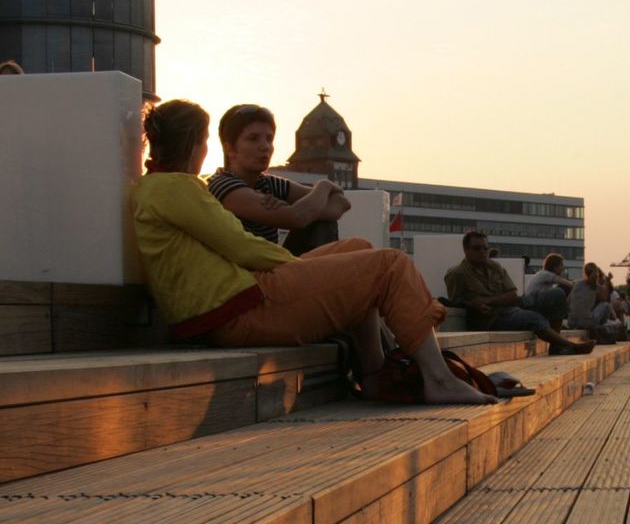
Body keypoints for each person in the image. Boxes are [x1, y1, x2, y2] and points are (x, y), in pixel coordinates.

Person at [132, 100, 490, 405]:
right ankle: (438, 380)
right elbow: (241, 245)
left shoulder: (164, 189)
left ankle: (374, 372)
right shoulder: (175, 189)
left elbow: (323, 211)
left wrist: (312, 269)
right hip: (240, 310)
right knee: (389, 264)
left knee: (359, 249)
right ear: (197, 143)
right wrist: (296, 270)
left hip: (237, 300)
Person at [207, 103, 350, 255]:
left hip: (272, 267)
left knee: (320, 221)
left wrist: (302, 209)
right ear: (230, 149)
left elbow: (341, 203)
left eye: (269, 139)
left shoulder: (268, 183)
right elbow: (297, 218)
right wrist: (324, 186)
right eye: (253, 139)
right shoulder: (222, 184)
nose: (265, 146)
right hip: (245, 275)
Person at [445, 231, 591, 355]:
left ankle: (556, 347)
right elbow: (456, 302)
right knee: (533, 318)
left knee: (557, 294)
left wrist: (488, 301)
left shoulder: (494, 266)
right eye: (477, 248)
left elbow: (512, 294)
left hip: (513, 305)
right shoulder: (457, 273)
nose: (482, 252)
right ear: (466, 249)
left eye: (485, 248)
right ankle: (570, 346)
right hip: (493, 318)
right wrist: (475, 305)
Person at [520, 253, 574, 328]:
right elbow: (569, 284)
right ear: (555, 266)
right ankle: (558, 327)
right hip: (532, 304)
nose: (563, 268)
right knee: (560, 291)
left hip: (532, 303)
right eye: (561, 265)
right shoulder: (547, 274)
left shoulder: (542, 273)